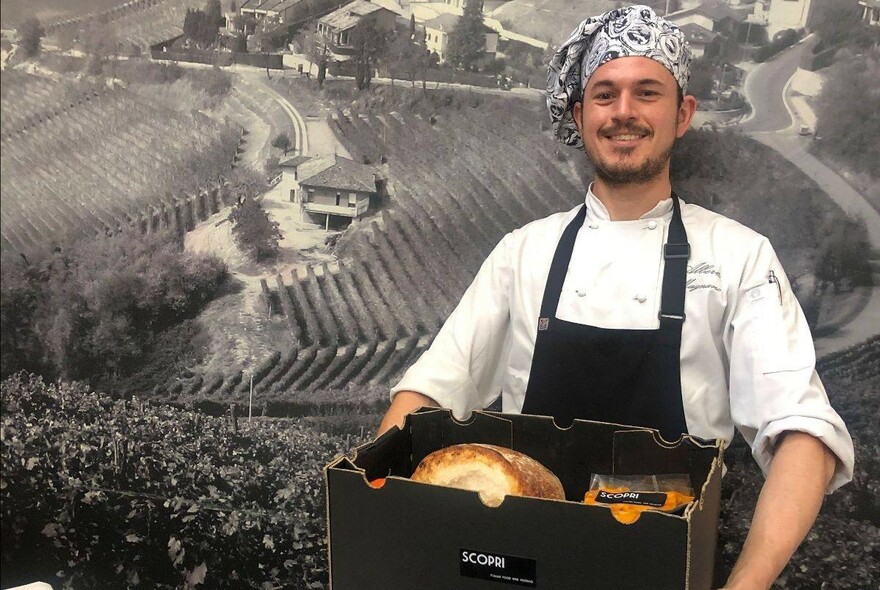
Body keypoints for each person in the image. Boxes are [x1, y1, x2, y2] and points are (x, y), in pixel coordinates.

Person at [377, 6, 854, 590]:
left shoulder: (739, 259)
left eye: (646, 92)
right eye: (605, 94)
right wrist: (380, 518)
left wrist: (745, 585)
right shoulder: (524, 253)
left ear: (683, 114)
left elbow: (803, 433)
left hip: (666, 570)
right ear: (580, 116)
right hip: (520, 569)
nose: (623, 112)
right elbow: (428, 393)